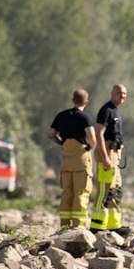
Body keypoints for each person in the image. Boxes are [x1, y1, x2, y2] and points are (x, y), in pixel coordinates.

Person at [48, 89, 99, 230]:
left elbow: (51, 134)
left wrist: (62, 143)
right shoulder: (85, 118)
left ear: (73, 100)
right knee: (81, 192)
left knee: (67, 192)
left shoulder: (61, 116)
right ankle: (78, 226)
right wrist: (89, 148)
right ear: (86, 102)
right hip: (81, 159)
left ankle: (64, 225)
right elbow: (92, 139)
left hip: (66, 159)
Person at [90, 83, 128, 232]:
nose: (122, 96)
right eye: (119, 93)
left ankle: (114, 226)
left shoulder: (115, 111)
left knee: (115, 190)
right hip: (107, 154)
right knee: (105, 191)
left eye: (124, 93)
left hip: (115, 156)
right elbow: (99, 133)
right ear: (112, 93)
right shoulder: (106, 110)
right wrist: (105, 157)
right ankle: (96, 226)